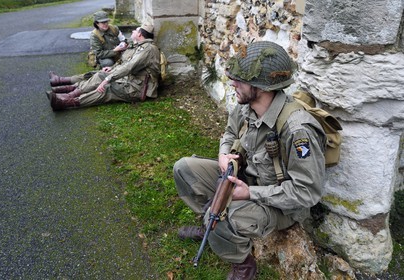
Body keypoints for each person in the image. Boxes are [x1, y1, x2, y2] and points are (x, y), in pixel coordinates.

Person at [173, 41, 327, 279]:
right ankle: (209, 225)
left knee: (227, 215)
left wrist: (251, 194)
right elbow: (230, 132)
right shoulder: (248, 106)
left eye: (239, 79)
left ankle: (243, 265)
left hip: (280, 205)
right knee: (184, 169)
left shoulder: (298, 130)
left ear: (261, 86)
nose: (232, 83)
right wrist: (224, 154)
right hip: (244, 179)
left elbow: (307, 192)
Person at [46, 23, 160, 111]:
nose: (133, 31)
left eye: (136, 30)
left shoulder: (148, 49)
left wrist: (108, 78)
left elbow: (129, 67)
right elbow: (125, 63)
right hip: (131, 81)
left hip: (139, 89)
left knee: (106, 89)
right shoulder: (140, 46)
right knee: (100, 75)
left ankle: (66, 103)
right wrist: (112, 69)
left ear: (140, 34)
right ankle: (67, 95)